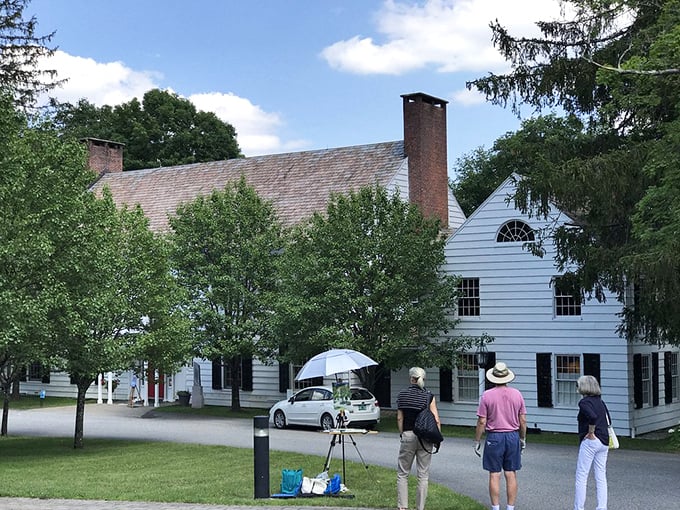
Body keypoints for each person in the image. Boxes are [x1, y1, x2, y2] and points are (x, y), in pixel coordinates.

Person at [474, 362, 527, 510]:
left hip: (494, 437)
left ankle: (495, 507)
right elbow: (522, 420)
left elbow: (482, 421)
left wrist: (477, 440)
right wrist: (522, 438)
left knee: (494, 474)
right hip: (512, 435)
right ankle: (510, 507)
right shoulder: (517, 394)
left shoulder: (486, 395)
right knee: (511, 473)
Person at [396, 366, 441, 510]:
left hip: (408, 434)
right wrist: (436, 438)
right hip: (425, 437)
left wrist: (402, 433)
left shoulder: (402, 394)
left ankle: (403, 506)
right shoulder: (429, 396)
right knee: (423, 475)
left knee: (403, 473)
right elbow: (436, 419)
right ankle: (420, 507)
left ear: (411, 378)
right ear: (423, 379)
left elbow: (399, 418)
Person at [574, 375, 610, 510]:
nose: (577, 387)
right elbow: (607, 420)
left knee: (581, 476)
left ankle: (579, 507)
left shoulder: (584, 402)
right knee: (600, 475)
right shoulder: (600, 402)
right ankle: (602, 507)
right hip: (604, 441)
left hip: (591, 441)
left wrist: (590, 432)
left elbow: (592, 417)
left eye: (578, 385)